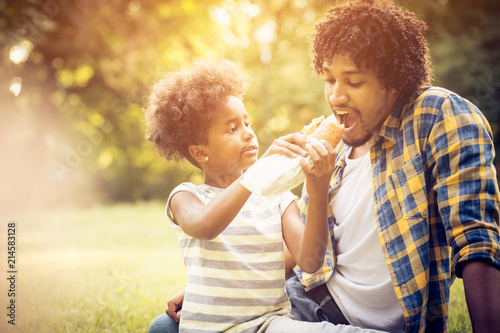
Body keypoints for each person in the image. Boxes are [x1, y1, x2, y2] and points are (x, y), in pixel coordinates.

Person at [153, 0, 500, 332]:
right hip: (302, 300)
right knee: (166, 326)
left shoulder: (436, 116)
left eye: (355, 81)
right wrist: (222, 290)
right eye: (330, 79)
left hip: (345, 315)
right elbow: (298, 252)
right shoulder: (335, 145)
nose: (336, 97)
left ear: (394, 80)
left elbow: (477, 241)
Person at [144, 58, 385, 333]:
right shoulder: (186, 196)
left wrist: (317, 190)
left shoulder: (278, 198)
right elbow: (205, 226)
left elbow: (309, 262)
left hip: (269, 325)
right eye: (232, 129)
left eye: (247, 123)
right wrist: (258, 174)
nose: (248, 134)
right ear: (200, 152)